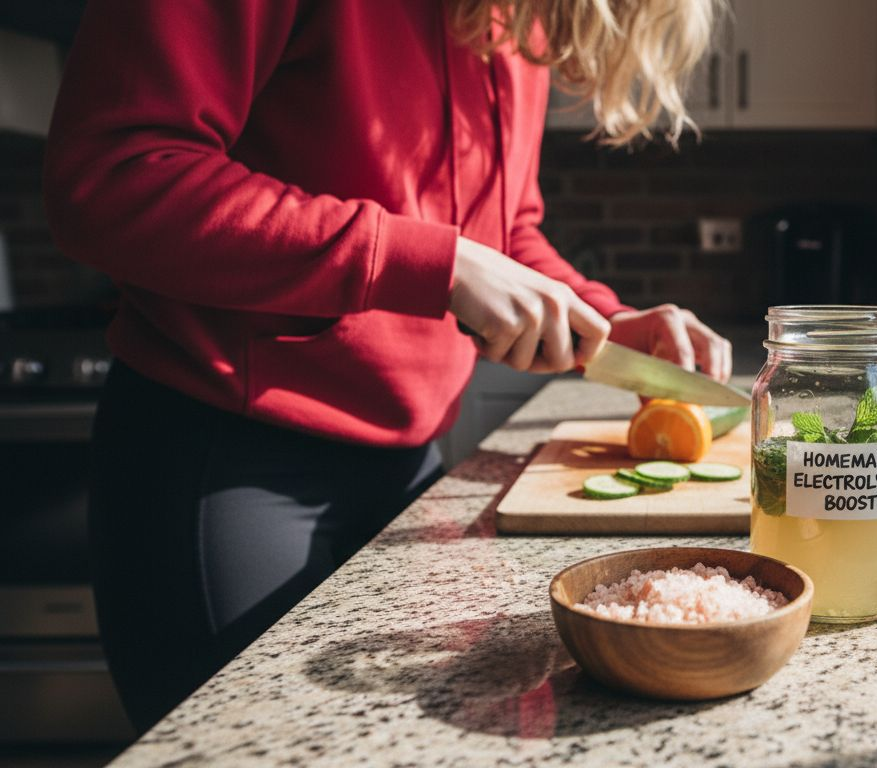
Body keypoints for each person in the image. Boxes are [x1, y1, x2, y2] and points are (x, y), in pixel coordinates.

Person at [43, 0, 727, 732]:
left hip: (407, 466)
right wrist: (430, 263)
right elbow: (111, 175)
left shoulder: (517, 12)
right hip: (224, 458)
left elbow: (498, 234)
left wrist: (604, 320)